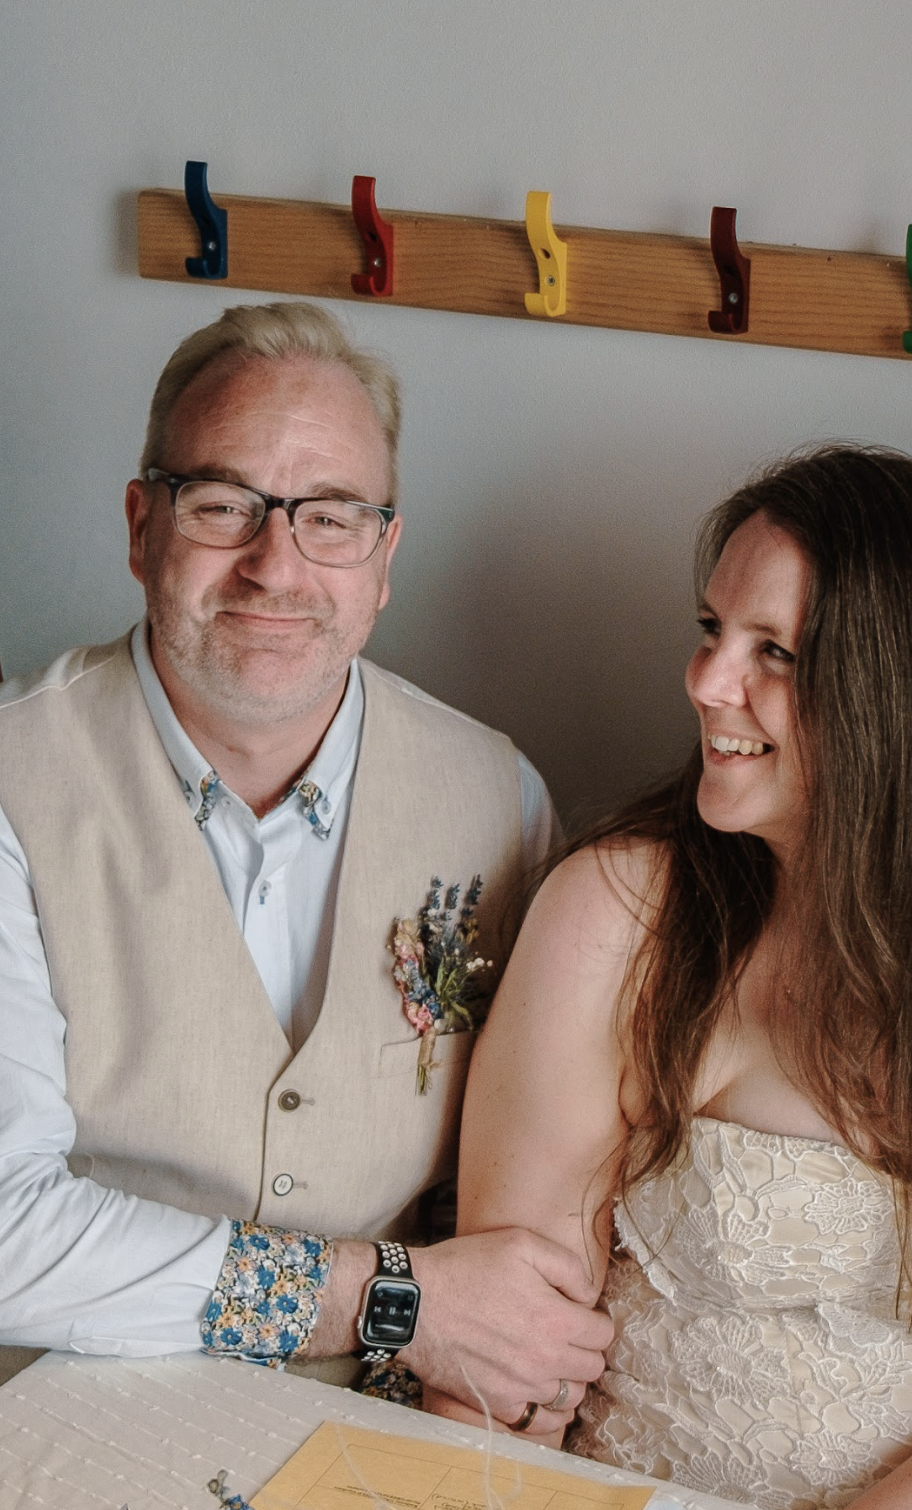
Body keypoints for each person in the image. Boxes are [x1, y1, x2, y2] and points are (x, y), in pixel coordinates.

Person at [0, 299, 611, 1422]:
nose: (274, 567)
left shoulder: (500, 796)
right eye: (224, 504)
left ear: (384, 556)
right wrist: (389, 1301)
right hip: (63, 1424)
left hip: (389, 1438)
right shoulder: (11, 780)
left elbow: (525, 1199)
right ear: (142, 527)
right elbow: (6, 1236)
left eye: (329, 518)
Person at [438, 446, 912, 1508]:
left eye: (770, 649)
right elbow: (501, 1363)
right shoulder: (619, 916)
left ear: (904, 692)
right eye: (709, 630)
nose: (703, 681)